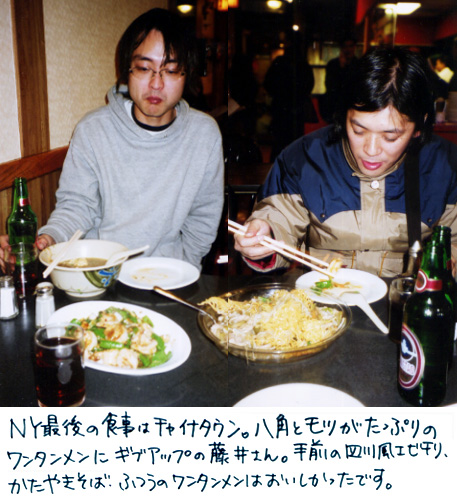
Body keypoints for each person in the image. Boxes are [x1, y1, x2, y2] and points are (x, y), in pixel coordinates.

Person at [0, 8, 224, 270]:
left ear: (187, 74)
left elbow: (203, 219)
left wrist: (184, 267)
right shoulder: (93, 130)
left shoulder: (203, 134)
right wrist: (48, 240)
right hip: (101, 273)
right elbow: (77, 207)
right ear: (127, 70)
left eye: (171, 70)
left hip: (169, 275)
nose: (156, 83)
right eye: (144, 68)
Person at [234, 46, 457, 278]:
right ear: (345, 116)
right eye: (358, 130)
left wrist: (441, 271)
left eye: (390, 137)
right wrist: (265, 236)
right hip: (321, 293)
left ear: (419, 126)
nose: (371, 150)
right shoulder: (303, 158)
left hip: (408, 297)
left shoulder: (447, 165)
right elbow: (279, 219)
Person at [263, 31, 315, 161]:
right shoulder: (303, 64)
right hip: (297, 111)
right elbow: (310, 85)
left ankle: (275, 169)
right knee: (296, 147)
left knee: (278, 145)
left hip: (281, 109)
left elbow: (268, 83)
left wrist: (279, 93)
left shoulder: (279, 62)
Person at [321, 36, 358, 123]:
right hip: (335, 108)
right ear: (341, 48)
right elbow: (330, 87)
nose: (348, 50)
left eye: (350, 46)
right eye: (345, 46)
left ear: (354, 47)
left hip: (352, 107)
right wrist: (341, 67)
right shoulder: (333, 65)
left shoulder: (359, 65)